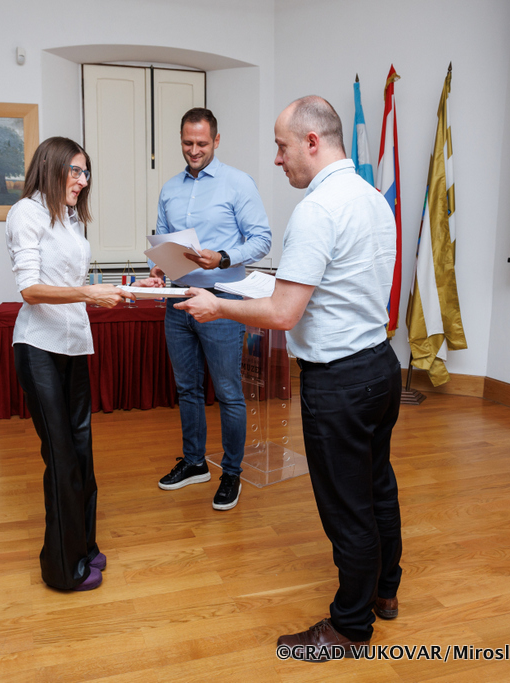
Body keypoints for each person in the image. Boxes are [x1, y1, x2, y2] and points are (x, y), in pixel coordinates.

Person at [175, 96, 402, 661]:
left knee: (346, 505)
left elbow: (282, 314)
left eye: (281, 147)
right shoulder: (374, 198)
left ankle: (350, 628)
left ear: (311, 142)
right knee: (377, 485)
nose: (277, 160)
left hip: (339, 381)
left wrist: (218, 305)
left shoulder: (317, 209)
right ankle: (385, 590)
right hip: (380, 366)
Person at [5, 136, 134, 592]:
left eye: (85, 172)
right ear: (52, 167)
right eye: (75, 171)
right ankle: (62, 570)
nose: (82, 180)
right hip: (38, 347)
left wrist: (120, 292)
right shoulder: (26, 213)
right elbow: (30, 290)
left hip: (75, 344)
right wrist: (89, 294)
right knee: (61, 458)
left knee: (82, 452)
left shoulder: (71, 217)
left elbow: (74, 284)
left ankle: (83, 546)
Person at [142, 107, 271, 511]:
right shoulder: (169, 189)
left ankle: (231, 472)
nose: (194, 150)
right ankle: (195, 463)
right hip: (179, 299)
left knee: (229, 392)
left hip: (223, 301)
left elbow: (262, 239)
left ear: (216, 140)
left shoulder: (238, 183)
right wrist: (158, 268)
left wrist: (224, 257)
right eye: (187, 143)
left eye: (201, 143)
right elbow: (165, 245)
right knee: (187, 389)